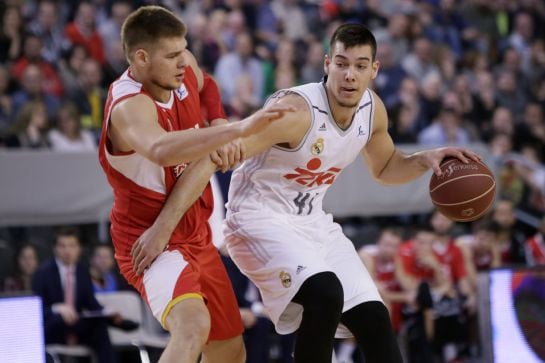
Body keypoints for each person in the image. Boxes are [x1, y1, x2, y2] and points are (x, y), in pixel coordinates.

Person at [138, 23, 480, 362]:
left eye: (360, 66)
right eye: (342, 64)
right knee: (326, 292)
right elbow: (212, 156)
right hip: (258, 218)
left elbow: (386, 167)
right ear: (327, 63)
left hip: (313, 222)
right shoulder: (295, 112)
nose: (349, 75)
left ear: (374, 70)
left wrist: (425, 159)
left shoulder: (372, 110)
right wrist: (161, 228)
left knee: (375, 319)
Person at [97, 6, 293, 363]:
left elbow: (209, 84)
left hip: (197, 235)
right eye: (173, 55)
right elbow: (159, 149)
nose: (184, 62)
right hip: (149, 240)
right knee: (193, 327)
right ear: (141, 58)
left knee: (230, 351)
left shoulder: (180, 72)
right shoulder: (128, 106)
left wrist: (217, 119)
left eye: (184, 51)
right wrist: (233, 129)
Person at [32, 227, 116, 363]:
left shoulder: (82, 271)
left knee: (100, 327)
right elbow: (35, 310)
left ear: (79, 249)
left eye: (72, 245)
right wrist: (56, 308)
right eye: (62, 246)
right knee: (59, 319)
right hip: (53, 325)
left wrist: (107, 312)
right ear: (55, 248)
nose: (67, 251)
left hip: (75, 324)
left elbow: (90, 302)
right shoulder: (43, 273)